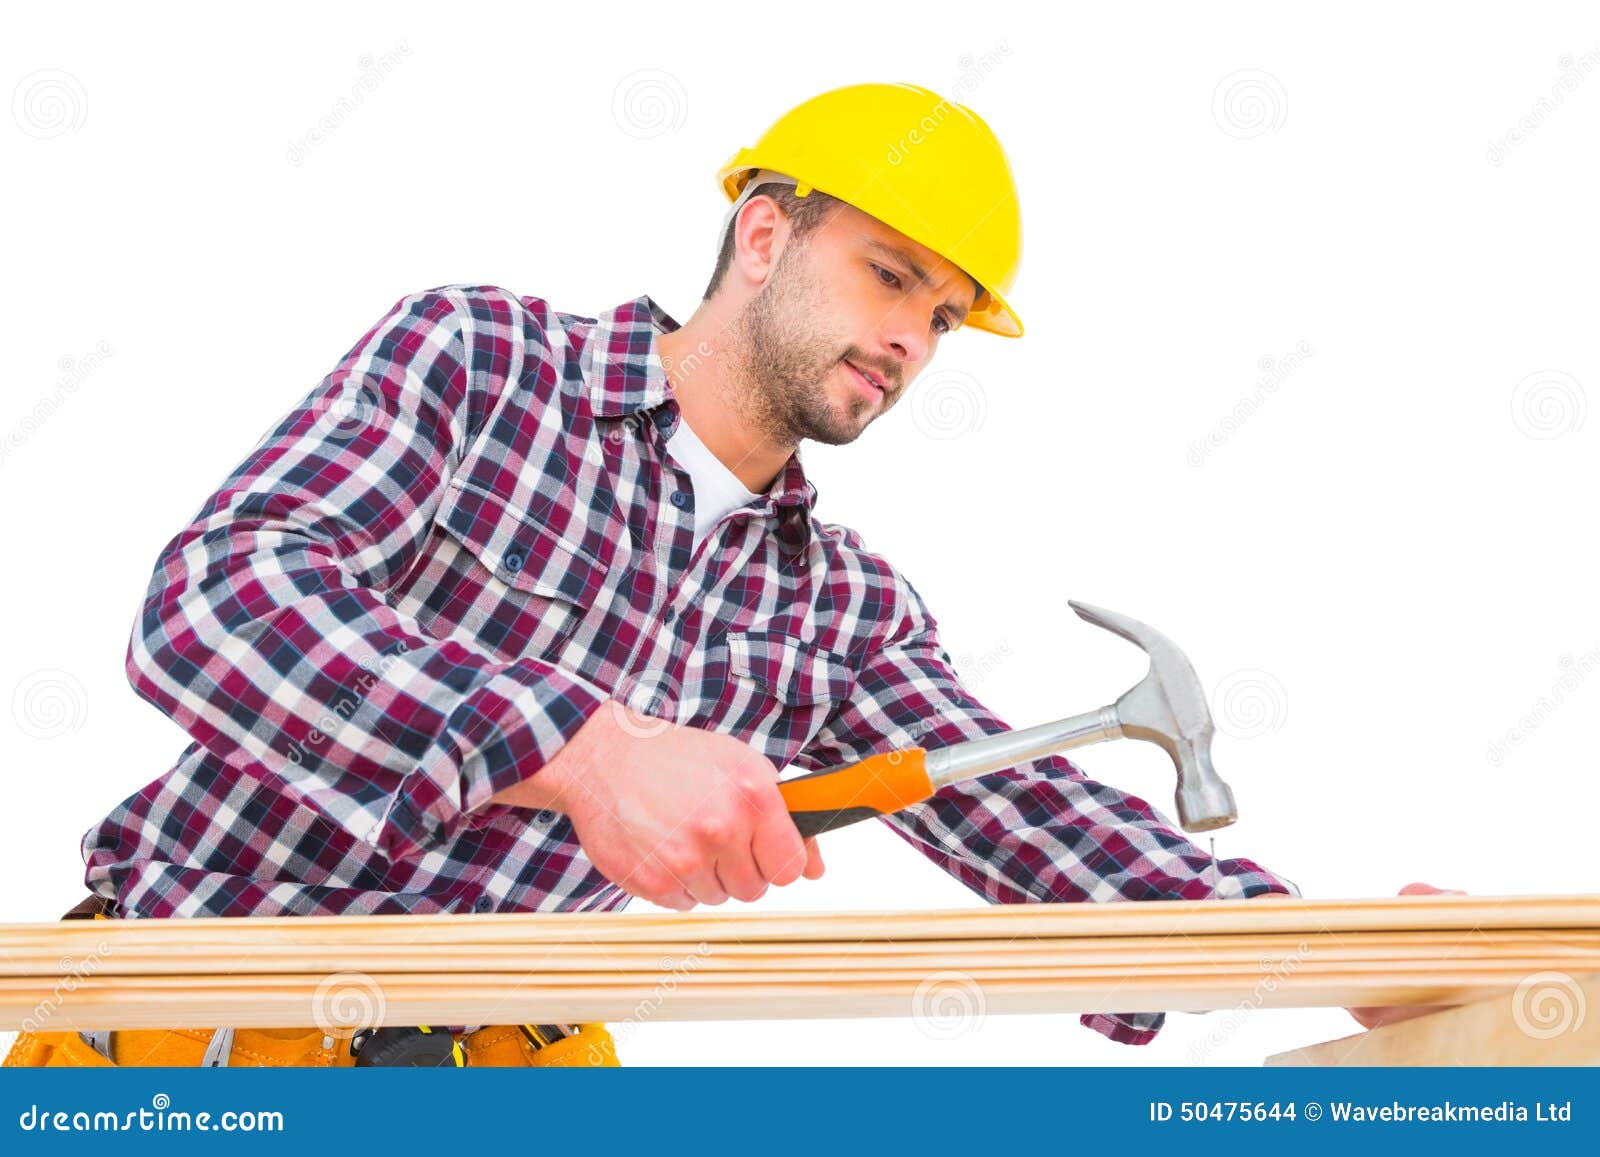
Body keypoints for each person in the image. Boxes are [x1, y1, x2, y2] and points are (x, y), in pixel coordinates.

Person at [10, 82, 1444, 1068]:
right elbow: (214, 601)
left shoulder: (836, 606)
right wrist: (583, 750)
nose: (913, 340)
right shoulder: (483, 362)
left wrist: (1323, 946)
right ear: (765, 232)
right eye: (891, 274)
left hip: (482, 1062)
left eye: (946, 316)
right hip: (194, 1022)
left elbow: (1026, 814)